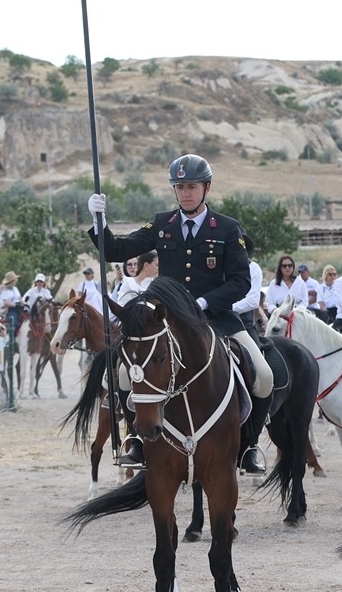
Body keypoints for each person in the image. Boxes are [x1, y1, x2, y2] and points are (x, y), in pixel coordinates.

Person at [87, 154, 273, 474]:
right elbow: (116, 250)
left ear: (206, 187)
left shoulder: (227, 228)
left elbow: (241, 282)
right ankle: (136, 439)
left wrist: (203, 303)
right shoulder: (162, 224)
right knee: (122, 374)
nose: (185, 193)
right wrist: (98, 222)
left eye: (191, 186)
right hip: (167, 320)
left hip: (214, 317)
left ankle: (250, 444)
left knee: (264, 377)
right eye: (179, 186)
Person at [0, 271, 24, 337]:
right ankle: (11, 339)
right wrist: (15, 305)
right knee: (13, 323)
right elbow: (6, 302)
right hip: (11, 309)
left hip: (19, 307)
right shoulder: (5, 291)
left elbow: (20, 298)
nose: (16, 281)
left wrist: (24, 304)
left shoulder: (15, 289)